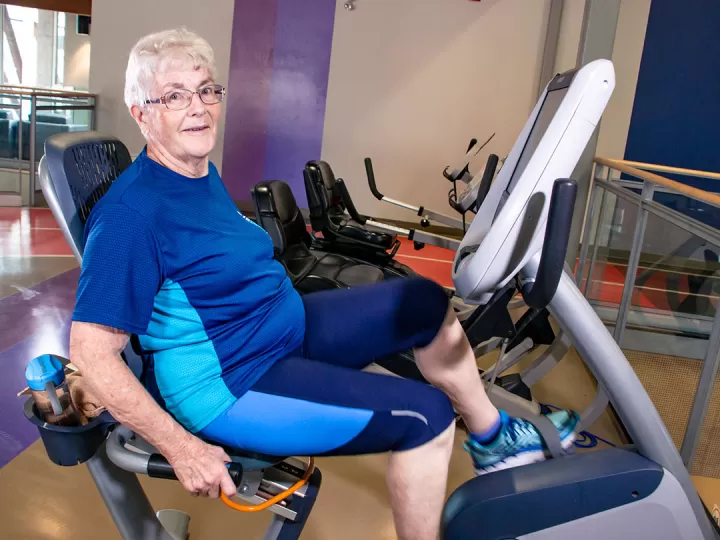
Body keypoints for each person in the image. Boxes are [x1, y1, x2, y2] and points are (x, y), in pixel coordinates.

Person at [69, 27, 578, 540]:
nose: (198, 107)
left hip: (282, 331)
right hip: (234, 383)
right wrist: (183, 449)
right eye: (175, 96)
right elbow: (91, 354)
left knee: (424, 301)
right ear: (141, 112)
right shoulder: (132, 216)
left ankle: (493, 440)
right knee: (425, 416)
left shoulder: (197, 172)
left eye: (206, 90)